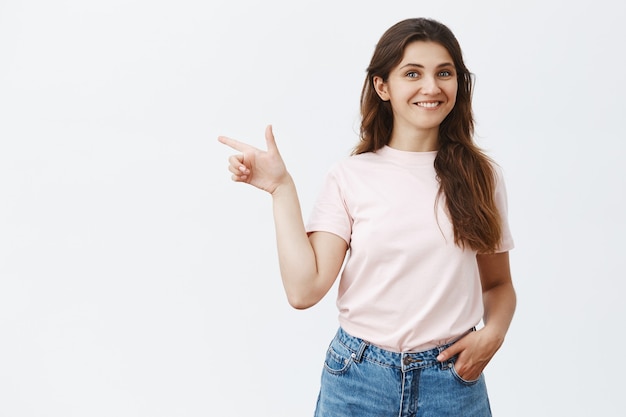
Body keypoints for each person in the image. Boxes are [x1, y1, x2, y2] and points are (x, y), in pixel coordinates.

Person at [218, 17, 516, 417]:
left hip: (452, 381)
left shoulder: (481, 176)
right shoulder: (350, 177)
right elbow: (304, 291)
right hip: (358, 378)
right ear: (382, 86)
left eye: (444, 73)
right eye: (413, 73)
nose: (431, 87)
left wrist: (493, 335)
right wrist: (281, 188)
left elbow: (498, 284)